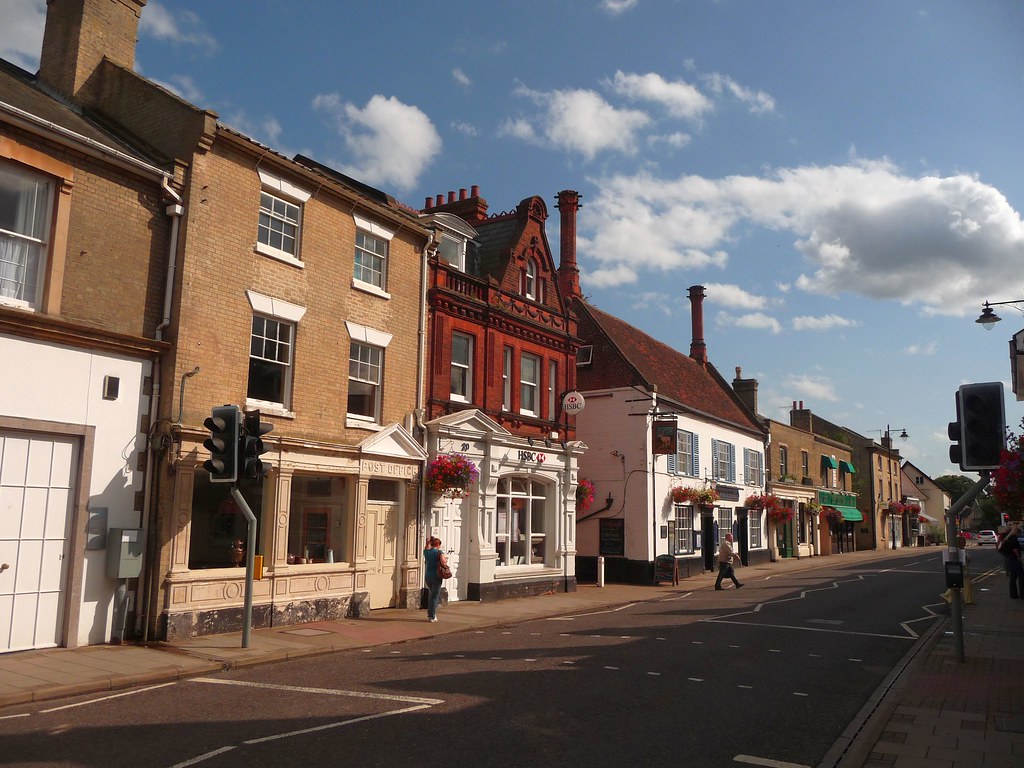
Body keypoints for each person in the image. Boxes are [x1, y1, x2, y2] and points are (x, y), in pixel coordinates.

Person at [942, 535, 974, 605]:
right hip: (963, 571)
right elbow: (965, 560)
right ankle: (968, 600)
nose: (965, 543)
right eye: (964, 542)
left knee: (958, 585)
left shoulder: (961, 550)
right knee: (964, 585)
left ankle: (947, 596)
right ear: (960, 543)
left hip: (963, 570)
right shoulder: (958, 551)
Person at [997, 524, 1024, 599]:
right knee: (1021, 577)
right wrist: (1019, 558)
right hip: (1014, 559)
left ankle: (1013, 595)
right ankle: (1022, 594)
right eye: (1019, 532)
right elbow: (1015, 549)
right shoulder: (1013, 538)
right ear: (1017, 532)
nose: (1020, 534)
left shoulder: (1008, 538)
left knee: (1013, 577)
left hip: (1009, 559)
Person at [423, 536, 446, 622]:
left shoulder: (426, 552)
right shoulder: (439, 552)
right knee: (435, 596)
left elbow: (426, 548)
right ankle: (432, 616)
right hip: (436, 576)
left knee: (432, 595)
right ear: (438, 544)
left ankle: (431, 614)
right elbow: (443, 562)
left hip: (428, 576)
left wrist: (427, 543)